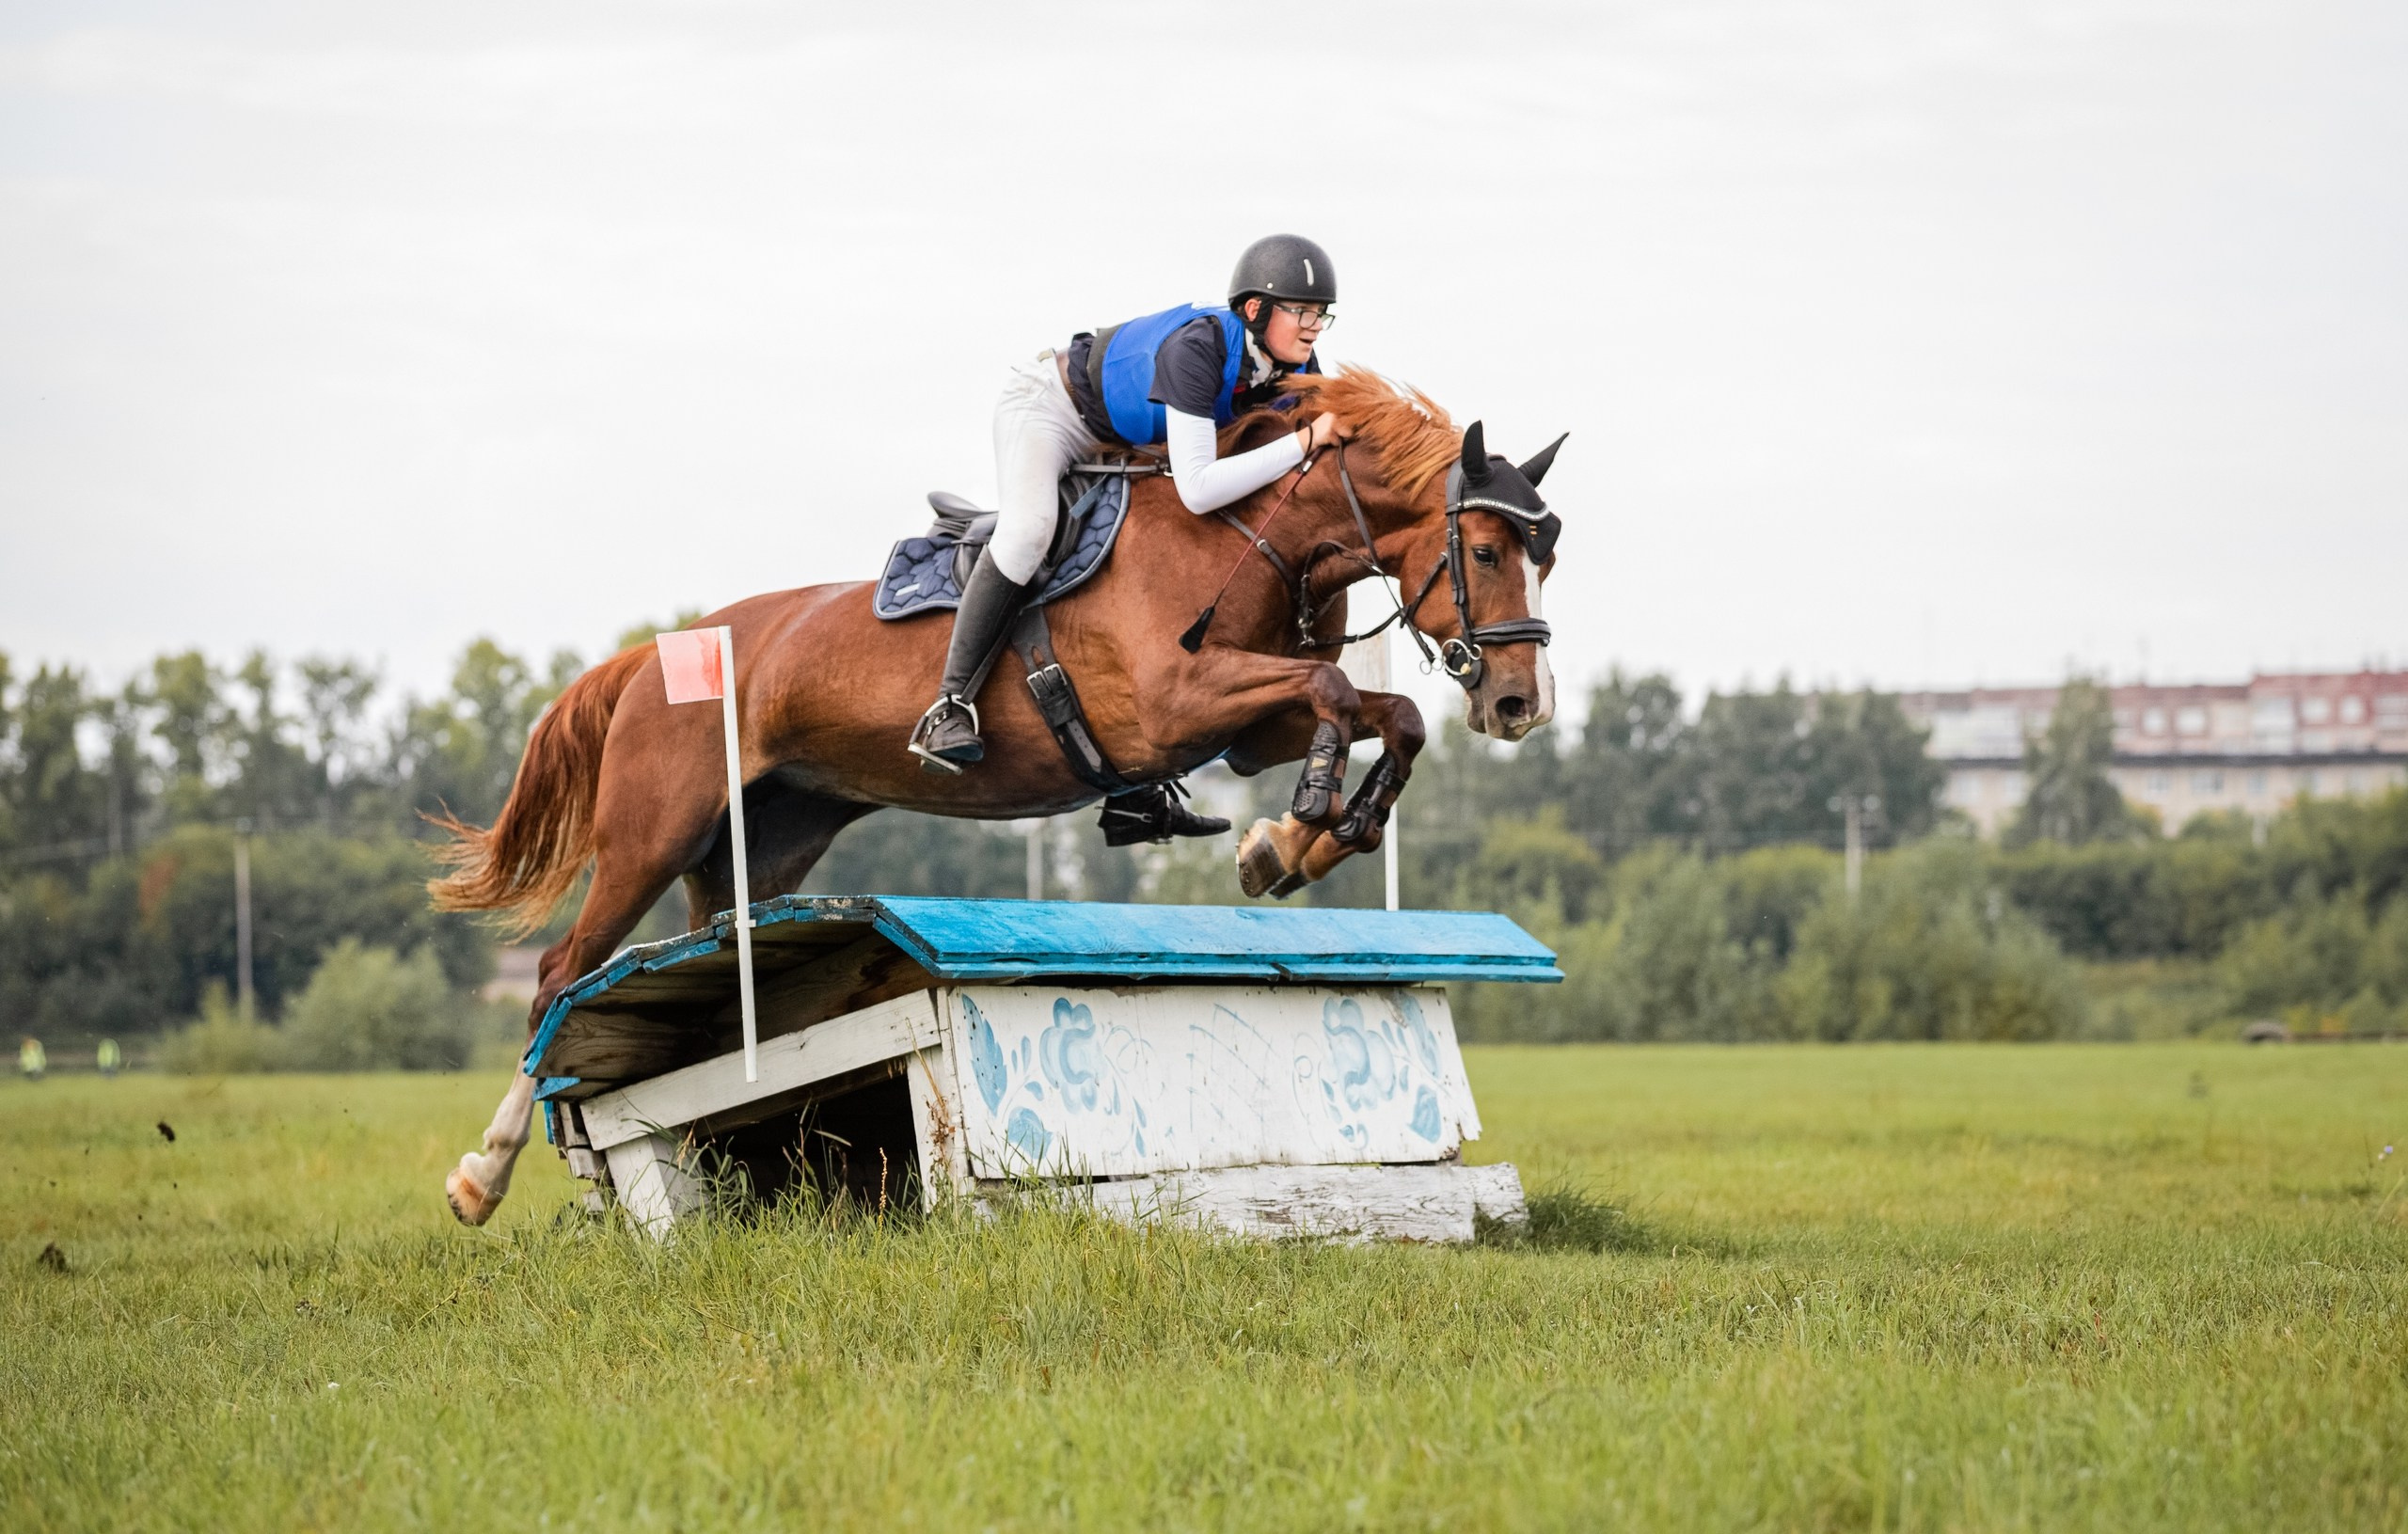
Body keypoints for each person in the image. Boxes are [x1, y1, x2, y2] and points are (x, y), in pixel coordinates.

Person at [908, 235, 1345, 845]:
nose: (1314, 327)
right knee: (1030, 531)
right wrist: (1304, 440)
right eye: (1302, 312)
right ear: (1255, 310)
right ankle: (948, 706)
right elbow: (1199, 487)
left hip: (1130, 439)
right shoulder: (1199, 349)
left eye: (1321, 314)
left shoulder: (1297, 370)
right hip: (1053, 409)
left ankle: (1136, 795)